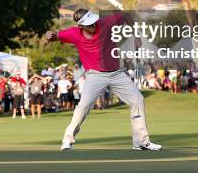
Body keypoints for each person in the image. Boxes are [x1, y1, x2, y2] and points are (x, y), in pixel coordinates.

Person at [44, 9, 162, 151]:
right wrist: (49, 36)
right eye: (89, 24)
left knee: (138, 100)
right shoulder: (73, 33)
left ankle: (141, 142)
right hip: (95, 76)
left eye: (93, 22)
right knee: (84, 106)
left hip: (117, 74)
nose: (93, 25)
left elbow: (126, 15)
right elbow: (55, 36)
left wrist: (136, 36)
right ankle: (67, 140)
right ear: (81, 26)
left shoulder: (106, 23)